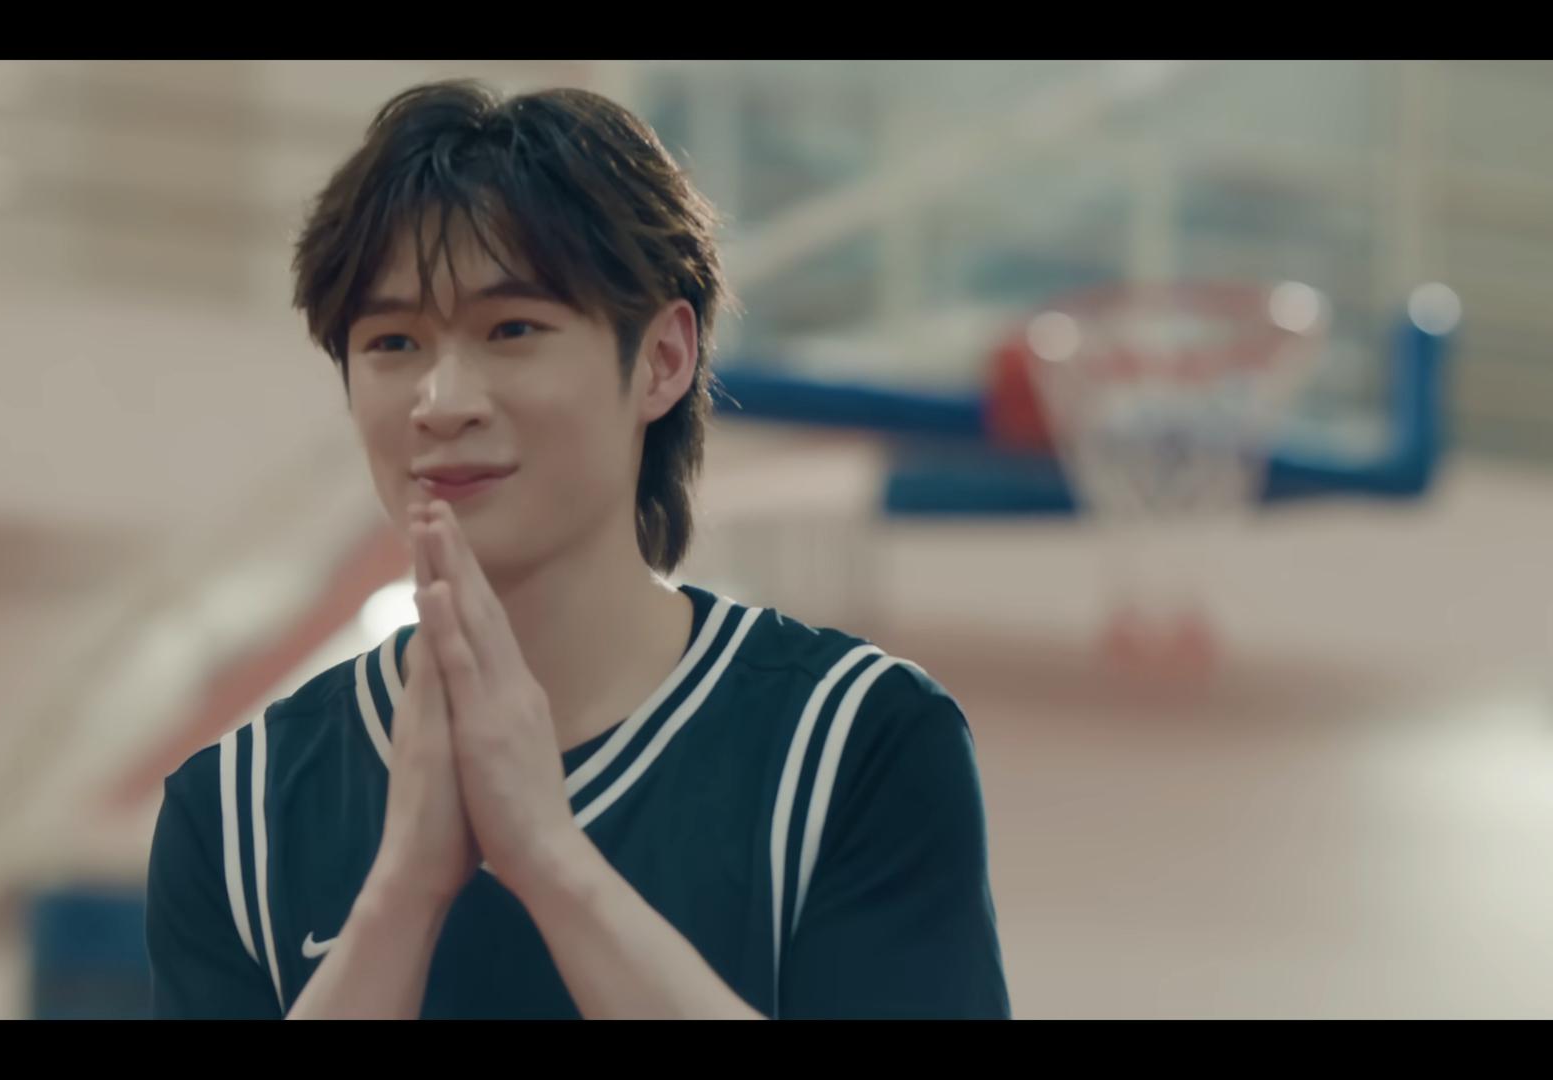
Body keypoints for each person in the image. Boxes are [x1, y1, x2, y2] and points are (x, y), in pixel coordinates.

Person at [144, 79, 1009, 1020]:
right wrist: (401, 897)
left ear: (664, 359)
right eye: (392, 342)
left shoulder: (856, 741)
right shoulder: (235, 812)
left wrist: (550, 860)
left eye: (512, 329)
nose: (443, 401)